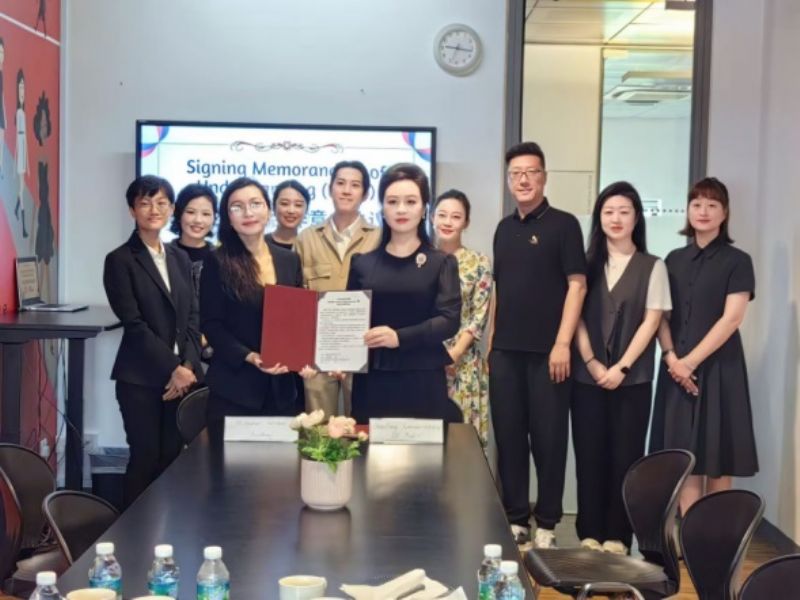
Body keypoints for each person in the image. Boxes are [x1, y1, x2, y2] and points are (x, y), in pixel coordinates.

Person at [490, 142, 587, 549]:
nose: (523, 179)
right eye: (516, 173)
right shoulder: (503, 229)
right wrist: (491, 345)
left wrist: (563, 343)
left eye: (531, 172)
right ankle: (516, 518)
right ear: (508, 180)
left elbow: (577, 285)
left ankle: (547, 522)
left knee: (549, 440)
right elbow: (499, 291)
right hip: (505, 354)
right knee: (509, 438)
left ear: (544, 177)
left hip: (551, 355)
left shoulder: (564, 225)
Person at [570, 181, 671, 555]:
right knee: (589, 454)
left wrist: (622, 367)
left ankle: (618, 536)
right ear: (599, 217)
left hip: (634, 381)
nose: (616, 218)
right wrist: (593, 362)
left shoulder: (653, 266)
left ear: (636, 218)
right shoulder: (584, 265)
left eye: (624, 212)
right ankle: (588, 533)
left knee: (625, 457)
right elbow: (576, 318)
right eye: (608, 211)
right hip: (587, 378)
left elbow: (652, 320)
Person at [650, 177, 758, 515]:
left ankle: (717, 535)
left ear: (724, 213)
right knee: (686, 457)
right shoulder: (672, 259)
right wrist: (672, 359)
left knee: (718, 457)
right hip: (676, 370)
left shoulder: (738, 261)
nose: (703, 211)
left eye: (712, 205)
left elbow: (732, 318)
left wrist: (690, 362)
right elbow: (661, 316)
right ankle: (689, 536)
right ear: (688, 211)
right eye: (697, 204)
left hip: (719, 370)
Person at [103, 175, 202, 506]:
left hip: (182, 379)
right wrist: (174, 368)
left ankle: (166, 530)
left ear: (172, 209)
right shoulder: (120, 260)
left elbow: (192, 317)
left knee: (172, 459)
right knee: (145, 458)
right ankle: (130, 531)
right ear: (132, 210)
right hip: (141, 380)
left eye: (161, 203)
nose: (153, 210)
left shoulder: (179, 257)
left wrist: (188, 366)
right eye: (145, 203)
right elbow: (134, 324)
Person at [346, 163, 460, 422]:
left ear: (424, 208)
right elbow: (349, 321)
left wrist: (399, 337)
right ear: (382, 208)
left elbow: (449, 321)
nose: (401, 209)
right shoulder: (362, 263)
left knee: (423, 449)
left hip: (423, 380)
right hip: (373, 381)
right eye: (392, 201)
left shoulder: (441, 262)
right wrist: (337, 356)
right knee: (369, 447)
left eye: (410, 201)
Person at [200, 177, 304, 420]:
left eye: (256, 204)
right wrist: (249, 356)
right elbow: (211, 325)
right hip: (235, 388)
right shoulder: (217, 261)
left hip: (282, 389)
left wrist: (304, 358)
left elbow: (298, 319)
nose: (248, 212)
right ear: (228, 217)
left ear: (268, 210)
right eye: (237, 207)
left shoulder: (289, 260)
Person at [294, 161, 381, 417]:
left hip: (364, 351)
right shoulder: (306, 238)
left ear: (366, 194)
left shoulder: (379, 238)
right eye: (340, 183)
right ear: (329, 188)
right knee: (317, 429)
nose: (346, 190)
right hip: (318, 353)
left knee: (362, 429)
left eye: (355, 185)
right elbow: (296, 301)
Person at [431, 189, 492, 445]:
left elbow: (479, 315)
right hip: (425, 362)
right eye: (442, 215)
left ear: (466, 222)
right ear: (432, 217)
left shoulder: (479, 262)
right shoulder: (421, 259)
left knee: (463, 443)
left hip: (463, 364)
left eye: (456, 217)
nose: (447, 222)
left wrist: (454, 354)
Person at [169, 183, 218, 294]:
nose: (198, 220)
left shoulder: (222, 260)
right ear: (179, 214)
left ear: (214, 218)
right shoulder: (163, 256)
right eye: (190, 212)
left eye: (206, 214)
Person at [266, 179, 310, 250]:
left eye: (298, 205)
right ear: (274, 207)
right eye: (284, 204)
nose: (291, 211)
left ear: (306, 210)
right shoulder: (260, 243)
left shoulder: (309, 246)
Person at [15, 69, 28, 238]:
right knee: (21, 187)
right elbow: (19, 138)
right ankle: (23, 227)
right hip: (20, 150)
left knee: (22, 187)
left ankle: (17, 208)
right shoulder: (19, 113)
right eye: (20, 87)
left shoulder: (23, 112)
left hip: (23, 151)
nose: (22, 91)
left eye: (24, 87)